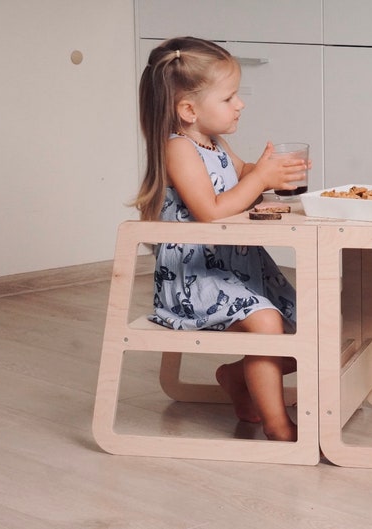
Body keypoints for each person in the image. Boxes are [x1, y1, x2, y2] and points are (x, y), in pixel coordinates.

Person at [133, 36, 309, 442]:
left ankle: (238, 375)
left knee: (307, 324)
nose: (240, 105)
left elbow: (241, 177)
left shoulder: (213, 143)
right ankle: (278, 425)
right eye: (229, 97)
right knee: (268, 325)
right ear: (189, 109)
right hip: (195, 277)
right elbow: (210, 210)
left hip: (237, 268)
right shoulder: (178, 149)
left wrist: (269, 172)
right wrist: (260, 178)